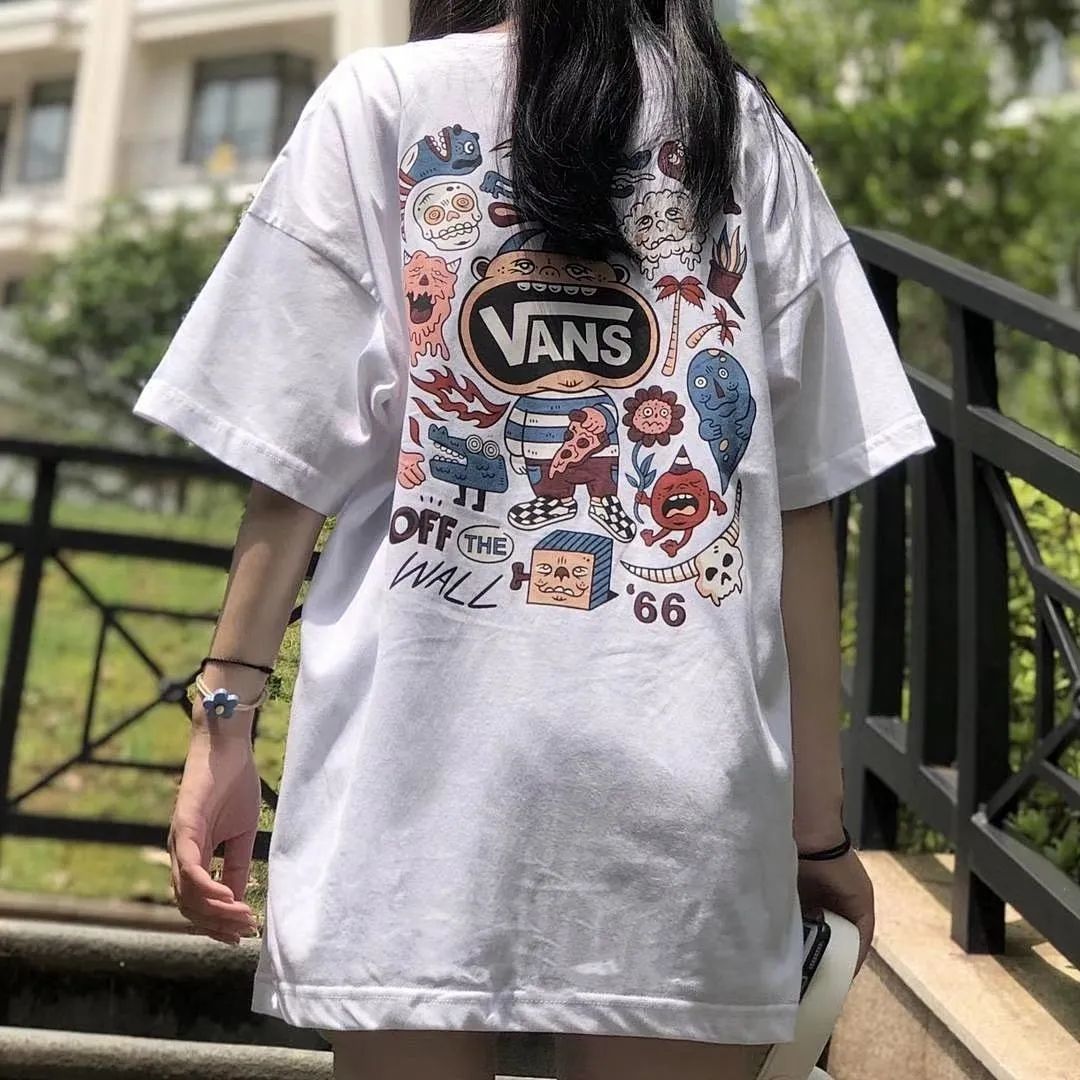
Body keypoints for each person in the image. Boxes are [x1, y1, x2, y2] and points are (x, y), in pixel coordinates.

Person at [133, 2, 934, 1078]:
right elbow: (800, 506)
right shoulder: (742, 130)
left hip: (414, 783)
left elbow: (291, 471)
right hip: (685, 797)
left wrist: (223, 725)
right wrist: (816, 832)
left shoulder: (380, 102)